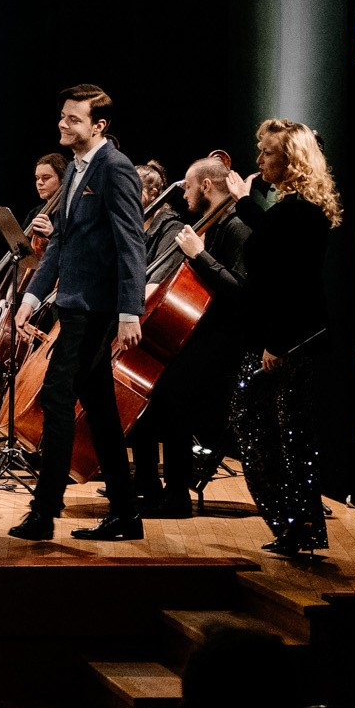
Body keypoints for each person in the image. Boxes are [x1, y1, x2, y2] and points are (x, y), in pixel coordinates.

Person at [9, 85, 147, 542]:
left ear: (98, 125)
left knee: (55, 396)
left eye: (73, 119)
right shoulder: (75, 171)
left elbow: (132, 245)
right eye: (62, 117)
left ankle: (45, 511)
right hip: (73, 304)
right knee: (102, 411)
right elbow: (62, 243)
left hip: (98, 309)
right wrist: (30, 297)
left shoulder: (116, 169)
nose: (63, 124)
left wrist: (131, 312)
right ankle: (127, 515)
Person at [229, 120, 341, 556]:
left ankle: (298, 527)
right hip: (284, 338)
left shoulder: (299, 212)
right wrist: (246, 201)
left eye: (267, 154)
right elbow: (271, 244)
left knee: (282, 435)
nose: (259, 161)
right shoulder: (293, 210)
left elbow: (287, 282)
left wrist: (275, 343)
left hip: (288, 342)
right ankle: (295, 527)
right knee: (277, 434)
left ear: (291, 159)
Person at [138, 157, 255, 515]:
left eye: (188, 187)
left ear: (206, 186)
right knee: (149, 398)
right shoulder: (211, 225)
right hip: (197, 337)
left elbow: (242, 291)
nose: (184, 195)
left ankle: (176, 497)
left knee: (167, 398)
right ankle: (149, 487)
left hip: (222, 344)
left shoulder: (236, 228)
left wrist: (200, 256)